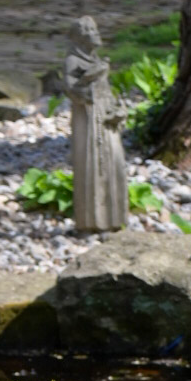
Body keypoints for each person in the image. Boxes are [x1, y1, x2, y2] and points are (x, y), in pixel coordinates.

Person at [63, 15, 128, 232]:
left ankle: (114, 218)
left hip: (105, 119)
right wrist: (90, 82)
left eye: (95, 29)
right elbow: (72, 90)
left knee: (113, 163)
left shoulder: (97, 61)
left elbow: (107, 91)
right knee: (92, 164)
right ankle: (92, 220)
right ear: (80, 38)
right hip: (89, 120)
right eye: (90, 31)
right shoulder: (74, 61)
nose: (96, 34)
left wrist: (117, 109)